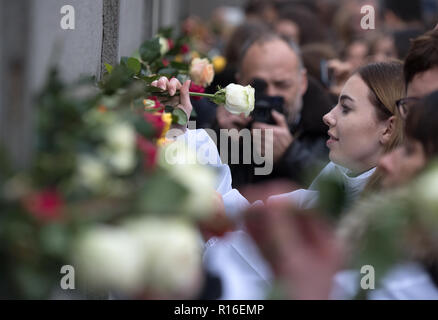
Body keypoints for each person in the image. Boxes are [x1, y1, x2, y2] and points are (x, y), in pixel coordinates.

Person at [213, 32, 333, 189]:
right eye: (258, 86)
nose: (270, 95)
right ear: (239, 83)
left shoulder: (332, 126)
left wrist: (291, 155)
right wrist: (224, 142)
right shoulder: (224, 126)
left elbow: (339, 193)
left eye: (282, 84)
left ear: (302, 82)